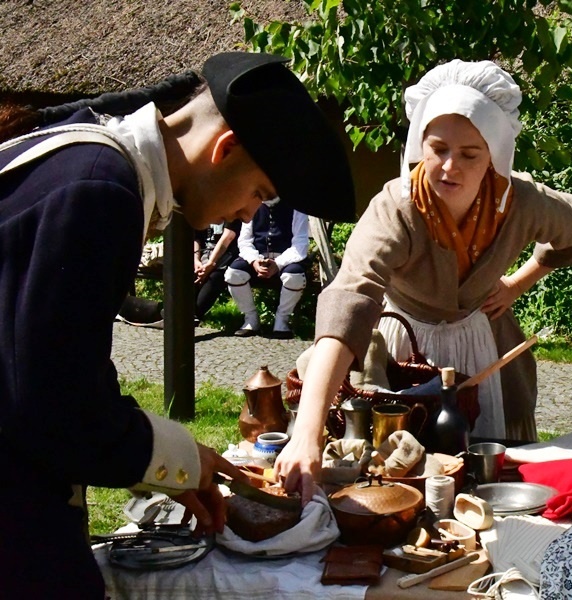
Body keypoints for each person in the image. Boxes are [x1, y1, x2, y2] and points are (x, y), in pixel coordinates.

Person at [0, 52, 355, 598]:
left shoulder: (89, 162)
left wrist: (171, 459)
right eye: (259, 194)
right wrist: (174, 457)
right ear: (226, 148)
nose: (246, 216)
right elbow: (53, 406)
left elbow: (58, 363)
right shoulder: (101, 189)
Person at [276, 60, 572, 505]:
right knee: (400, 472)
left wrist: (519, 282)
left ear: (494, 155)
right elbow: (351, 295)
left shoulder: (519, 202)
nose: (451, 167)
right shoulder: (397, 208)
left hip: (481, 340)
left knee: (486, 479)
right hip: (404, 346)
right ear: (419, 145)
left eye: (470, 154)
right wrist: (307, 434)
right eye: (438, 148)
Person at [225, 198, 311, 338]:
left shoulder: (296, 206)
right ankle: (251, 319)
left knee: (294, 277)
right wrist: (254, 261)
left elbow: (300, 244)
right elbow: (245, 241)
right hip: (257, 258)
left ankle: (282, 320)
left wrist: (277, 264)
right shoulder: (251, 203)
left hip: (286, 258)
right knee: (233, 274)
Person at [194, 219, 241, 323]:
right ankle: (174, 314)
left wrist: (211, 263)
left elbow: (228, 237)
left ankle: (192, 316)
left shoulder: (232, 210)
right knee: (189, 274)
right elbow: (196, 237)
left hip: (225, 258)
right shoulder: (203, 209)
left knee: (215, 278)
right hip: (202, 256)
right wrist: (196, 260)